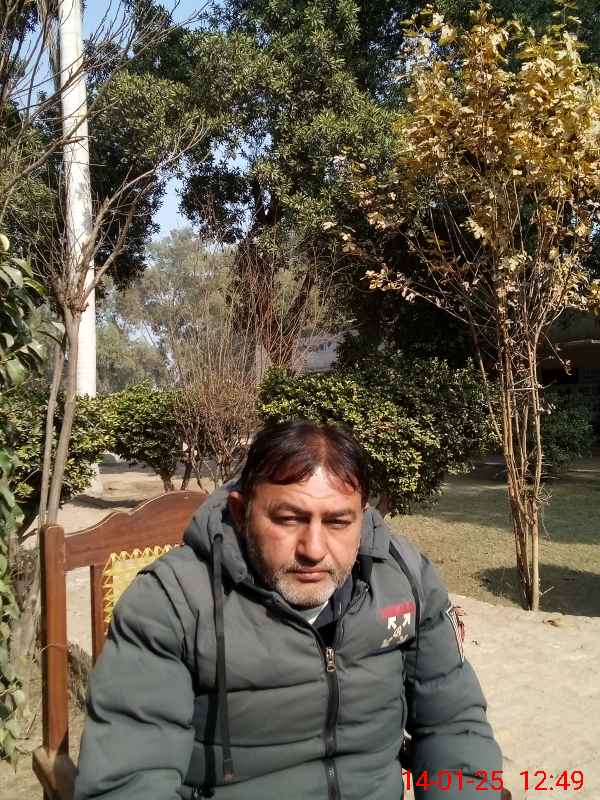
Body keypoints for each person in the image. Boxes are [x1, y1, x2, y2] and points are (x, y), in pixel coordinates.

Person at [74, 420, 504, 800]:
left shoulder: (405, 579)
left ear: (363, 517)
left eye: (338, 522)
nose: (313, 549)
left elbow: (454, 722)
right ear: (242, 512)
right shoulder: (171, 603)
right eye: (288, 519)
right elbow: (128, 779)